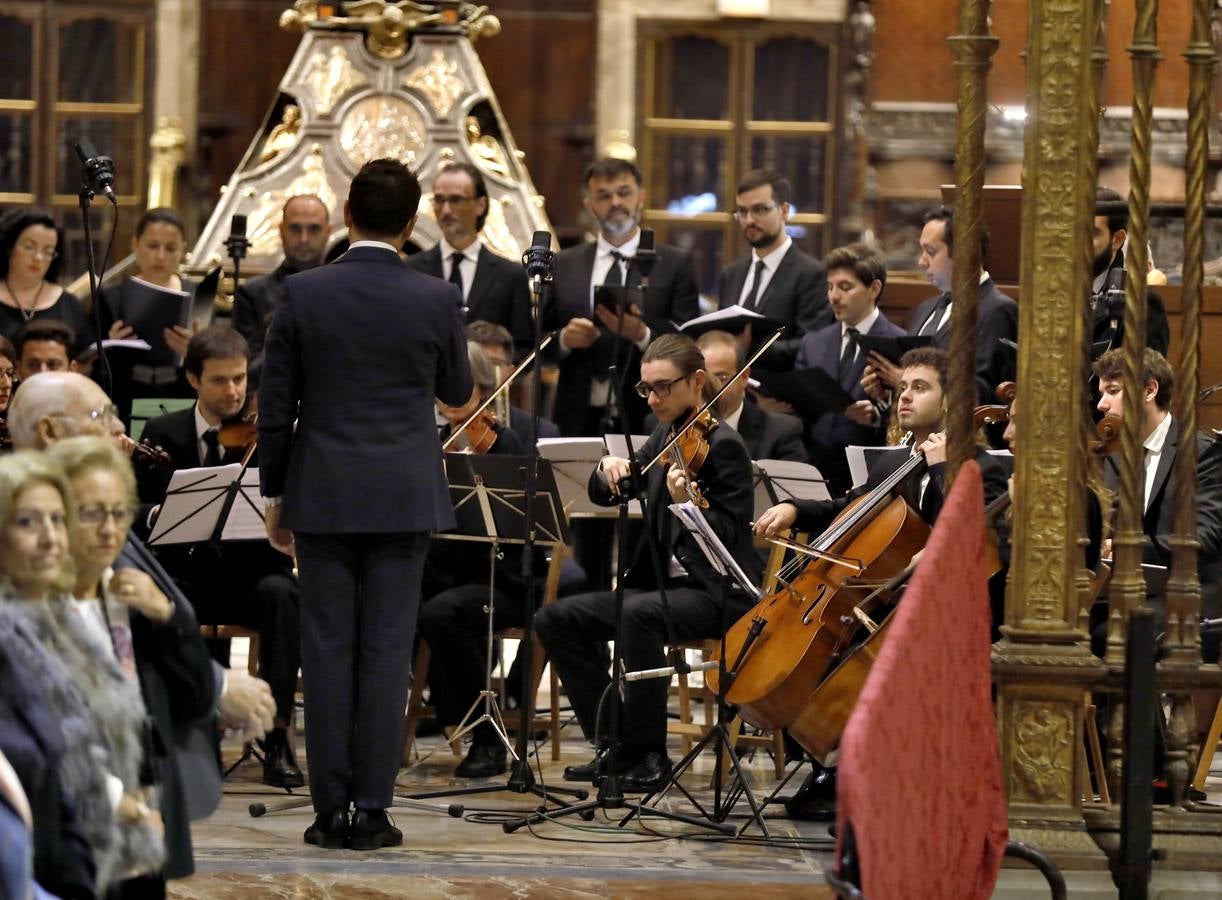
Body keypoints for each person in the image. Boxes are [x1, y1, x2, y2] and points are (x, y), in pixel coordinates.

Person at [259, 158, 472, 851]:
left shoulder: (304, 291)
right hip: (404, 494)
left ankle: (328, 811)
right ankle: (374, 810)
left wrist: (274, 494)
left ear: (347, 215)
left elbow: (277, 404)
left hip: (321, 491)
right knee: (386, 651)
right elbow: (458, 387)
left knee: (326, 650)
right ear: (413, 224)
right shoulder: (436, 298)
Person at [6, 371, 275, 858]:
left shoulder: (93, 501)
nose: (118, 431)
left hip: (139, 765)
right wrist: (216, 684)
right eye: (99, 416)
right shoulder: (36, 528)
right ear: (47, 432)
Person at [755, 347, 1007, 819]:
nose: (904, 396)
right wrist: (796, 509)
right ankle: (835, 765)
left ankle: (858, 772)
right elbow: (847, 508)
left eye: (920, 387)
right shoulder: (893, 463)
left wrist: (938, 466)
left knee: (861, 654)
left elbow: (972, 536)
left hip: (953, 618)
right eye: (902, 387)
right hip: (893, 603)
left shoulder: (982, 468)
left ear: (952, 400)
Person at [533, 334, 762, 792]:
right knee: (555, 617)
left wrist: (687, 505)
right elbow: (618, 487)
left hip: (717, 592)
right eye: (646, 389)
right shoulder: (664, 432)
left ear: (697, 382)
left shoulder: (725, 446)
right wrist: (606, 471)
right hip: (660, 588)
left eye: (663, 387)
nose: (653, 398)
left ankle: (651, 754)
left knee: (639, 614)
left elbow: (733, 537)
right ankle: (616, 742)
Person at [136, 326, 303, 790]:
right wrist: (158, 513)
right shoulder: (162, 433)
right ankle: (191, 731)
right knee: (166, 602)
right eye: (219, 381)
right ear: (192, 379)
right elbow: (134, 506)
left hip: (252, 574)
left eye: (239, 379)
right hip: (189, 574)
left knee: (283, 596)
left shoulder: (266, 437)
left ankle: (277, 735)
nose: (233, 392)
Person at [48, 435, 218, 886]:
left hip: (144, 797)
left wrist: (168, 617)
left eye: (119, 513)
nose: (109, 530)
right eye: (91, 513)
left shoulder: (133, 595)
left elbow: (197, 699)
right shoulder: (32, 608)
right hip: (68, 817)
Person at [0, 451, 164, 894]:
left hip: (87, 841)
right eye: (28, 522)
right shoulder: (7, 633)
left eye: (58, 519)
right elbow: (37, 754)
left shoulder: (55, 617)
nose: (52, 537)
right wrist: (120, 804)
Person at [418, 341, 534, 778]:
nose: (448, 402)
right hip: (443, 574)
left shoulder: (504, 443)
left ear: (486, 389)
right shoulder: (433, 440)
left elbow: (519, 527)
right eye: (442, 391)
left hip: (500, 580)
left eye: (459, 392)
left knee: (443, 613)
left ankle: (488, 736)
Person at [545, 157, 699, 437]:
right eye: (604, 195)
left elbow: (689, 343)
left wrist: (642, 335)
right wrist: (565, 339)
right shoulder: (564, 263)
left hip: (649, 415)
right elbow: (535, 342)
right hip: (577, 415)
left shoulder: (674, 263)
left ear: (640, 197)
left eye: (624, 192)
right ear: (589, 204)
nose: (615, 202)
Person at [1094, 348, 1222, 635]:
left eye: (1113, 391)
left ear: (1149, 390)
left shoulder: (1202, 452)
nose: (1102, 404)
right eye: (1102, 392)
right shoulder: (1112, 454)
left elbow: (1206, 536)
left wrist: (1128, 546)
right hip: (1129, 588)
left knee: (1111, 633)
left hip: (1187, 592)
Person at [865, 207, 1017, 407]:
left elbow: (985, 392)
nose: (921, 262)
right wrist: (885, 393)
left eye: (930, 251)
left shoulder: (999, 310)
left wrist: (907, 382)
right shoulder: (923, 310)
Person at [792, 243, 906, 493]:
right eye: (830, 287)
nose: (833, 296)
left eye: (845, 287)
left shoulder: (899, 344)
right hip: (814, 471)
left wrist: (877, 417)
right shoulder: (813, 342)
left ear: (873, 289)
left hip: (869, 477)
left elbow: (910, 418)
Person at [407, 163, 533, 358]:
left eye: (456, 200)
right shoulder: (411, 270)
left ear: (481, 205)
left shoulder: (511, 275)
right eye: (439, 200)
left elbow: (524, 350)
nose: (446, 210)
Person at [717, 169, 830, 371]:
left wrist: (749, 349)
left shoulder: (811, 274)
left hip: (779, 394)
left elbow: (811, 345)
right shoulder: (731, 273)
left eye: (760, 209)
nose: (749, 220)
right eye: (742, 212)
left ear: (784, 211)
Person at [234, 195, 331, 364]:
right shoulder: (251, 294)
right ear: (281, 231)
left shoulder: (343, 290)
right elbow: (245, 370)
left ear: (328, 232)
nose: (304, 239)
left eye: (314, 229)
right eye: (295, 228)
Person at [687, 330, 806, 462]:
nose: (711, 387)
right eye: (703, 379)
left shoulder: (782, 431)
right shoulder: (678, 428)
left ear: (744, 377)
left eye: (721, 377)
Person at [0, 209, 91, 358]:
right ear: (10, 246)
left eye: (48, 251)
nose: (38, 257)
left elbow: (85, 360)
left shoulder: (70, 304)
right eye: (29, 247)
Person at [1091, 187, 1170, 356]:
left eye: (1092, 233)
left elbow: (1150, 375)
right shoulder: (1053, 292)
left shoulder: (1142, 302)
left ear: (1117, 239)